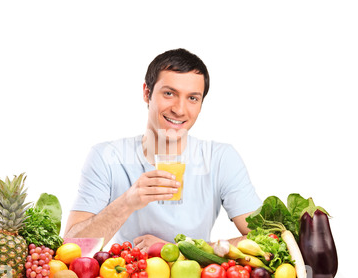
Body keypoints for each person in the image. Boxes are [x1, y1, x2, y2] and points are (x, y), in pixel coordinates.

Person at [64, 48, 262, 252]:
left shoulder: (221, 158)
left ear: (201, 104)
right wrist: (126, 202)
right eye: (169, 93)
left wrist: (178, 250)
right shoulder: (106, 157)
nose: (179, 109)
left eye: (192, 98)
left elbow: (263, 238)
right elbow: (71, 247)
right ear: (147, 93)